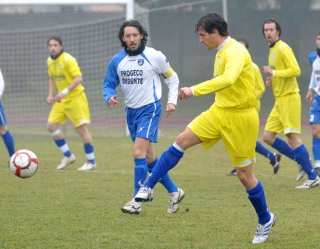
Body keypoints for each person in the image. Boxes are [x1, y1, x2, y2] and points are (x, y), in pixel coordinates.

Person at [135, 13, 275, 244]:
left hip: (241, 119)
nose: (200, 40)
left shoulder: (236, 51)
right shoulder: (221, 52)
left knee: (244, 175)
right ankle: (147, 187)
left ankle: (265, 218)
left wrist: (194, 90)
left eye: (202, 35)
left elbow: (229, 79)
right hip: (219, 111)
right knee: (181, 140)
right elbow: (252, 80)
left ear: (215, 33)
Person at [102, 20, 184, 215]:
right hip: (131, 112)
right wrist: (109, 97)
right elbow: (108, 84)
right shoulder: (117, 60)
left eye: (134, 35)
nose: (131, 39)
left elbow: (172, 78)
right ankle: (175, 191)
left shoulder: (154, 56)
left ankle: (137, 199)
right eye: (127, 36)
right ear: (123, 38)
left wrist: (172, 101)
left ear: (142, 36)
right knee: (149, 158)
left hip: (150, 109)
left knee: (138, 152)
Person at [261, 18, 320, 188]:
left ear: (278, 31)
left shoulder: (283, 47)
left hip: (289, 98)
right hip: (279, 100)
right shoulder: (272, 50)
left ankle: (312, 176)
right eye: (266, 30)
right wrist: (272, 80)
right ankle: (300, 160)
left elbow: (296, 70)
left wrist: (274, 72)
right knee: (267, 136)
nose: (269, 32)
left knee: (293, 138)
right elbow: (279, 73)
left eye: (272, 29)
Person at [227, 38, 281, 176]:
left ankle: (243, 165)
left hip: (250, 107)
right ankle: (270, 157)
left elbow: (260, 88)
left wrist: (248, 100)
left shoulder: (253, 67)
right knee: (241, 137)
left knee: (243, 137)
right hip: (238, 107)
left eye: (243, 48)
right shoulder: (234, 67)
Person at [46, 36, 96, 171]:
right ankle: (68, 155)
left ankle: (91, 161)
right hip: (61, 100)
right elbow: (52, 78)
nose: (53, 47)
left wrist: (64, 92)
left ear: (61, 46)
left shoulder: (68, 59)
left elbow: (79, 78)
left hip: (75, 97)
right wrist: (51, 95)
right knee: (50, 126)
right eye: (50, 45)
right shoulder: (50, 61)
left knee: (81, 129)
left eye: (55, 45)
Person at [305, 32, 320, 176]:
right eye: (318, 38)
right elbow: (314, 75)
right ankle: (318, 166)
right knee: (315, 132)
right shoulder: (312, 57)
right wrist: (310, 89)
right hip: (318, 99)